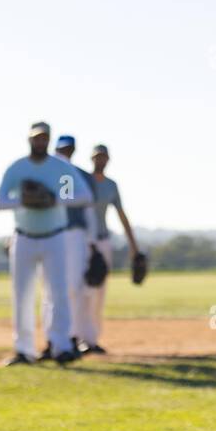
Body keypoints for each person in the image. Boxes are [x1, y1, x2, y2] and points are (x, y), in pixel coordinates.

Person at [0, 121, 95, 365]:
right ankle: (24, 349)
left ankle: (60, 346)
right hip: (24, 236)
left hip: (55, 236)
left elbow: (80, 197)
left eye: (44, 138)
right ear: (29, 139)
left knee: (58, 292)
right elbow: (0, 201)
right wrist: (24, 201)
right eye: (36, 138)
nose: (40, 142)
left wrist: (53, 198)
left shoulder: (59, 169)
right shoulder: (18, 168)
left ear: (48, 140)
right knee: (22, 294)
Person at [42, 134, 100, 358]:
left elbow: (89, 210)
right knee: (50, 289)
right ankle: (52, 339)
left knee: (74, 288)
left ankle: (72, 337)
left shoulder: (82, 175)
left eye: (68, 150)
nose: (65, 154)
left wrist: (92, 242)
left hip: (75, 234)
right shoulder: (45, 174)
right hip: (50, 233)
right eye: (61, 150)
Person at [80, 144, 142, 353]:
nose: (100, 161)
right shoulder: (82, 180)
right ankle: (78, 337)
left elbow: (122, 215)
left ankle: (92, 339)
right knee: (82, 291)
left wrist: (134, 246)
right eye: (97, 157)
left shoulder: (111, 185)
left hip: (103, 240)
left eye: (103, 157)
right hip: (83, 242)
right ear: (91, 159)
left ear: (108, 160)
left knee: (99, 291)